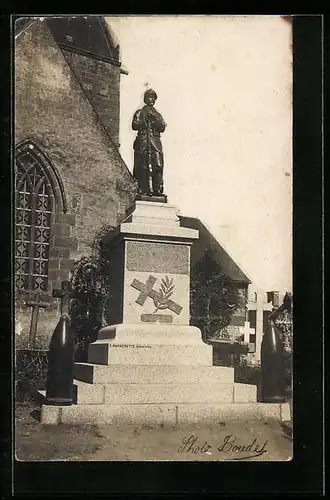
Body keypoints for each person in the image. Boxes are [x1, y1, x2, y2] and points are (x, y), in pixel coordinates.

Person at [132, 89, 166, 196]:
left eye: (153, 98)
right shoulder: (140, 112)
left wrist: (155, 119)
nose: (152, 100)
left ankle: (157, 189)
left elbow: (162, 127)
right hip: (143, 140)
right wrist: (144, 121)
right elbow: (134, 125)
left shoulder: (158, 114)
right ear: (145, 99)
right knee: (143, 166)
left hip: (155, 141)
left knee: (158, 164)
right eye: (149, 97)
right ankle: (144, 189)